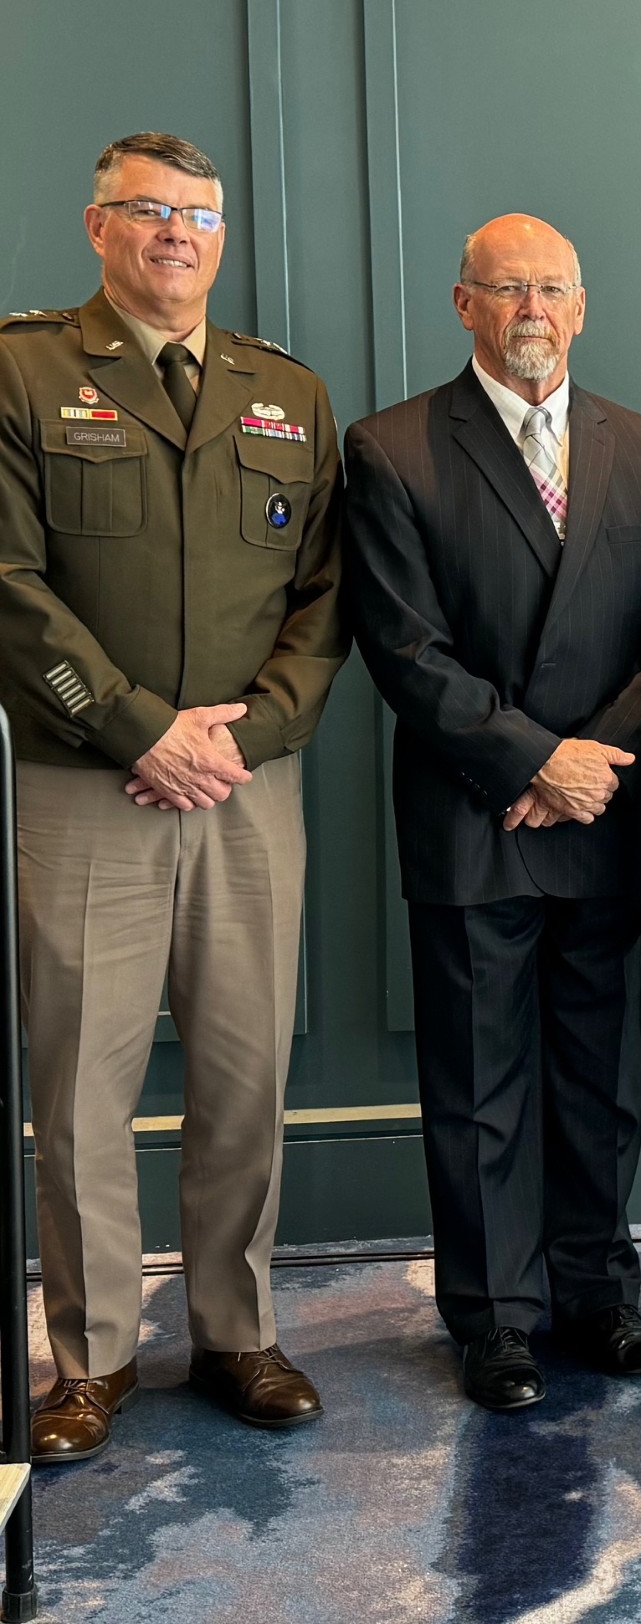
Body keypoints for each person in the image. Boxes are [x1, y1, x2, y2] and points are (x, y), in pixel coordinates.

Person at [0, 132, 347, 1460]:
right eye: (146, 212)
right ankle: (90, 1356)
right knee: (82, 1081)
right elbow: (9, 585)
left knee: (245, 1070)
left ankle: (237, 1330)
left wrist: (247, 735)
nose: (175, 235)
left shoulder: (285, 394)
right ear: (97, 226)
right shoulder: (26, 369)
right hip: (87, 783)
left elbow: (324, 601)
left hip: (248, 789)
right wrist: (143, 730)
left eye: (196, 215)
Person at [342, 214, 641, 1411]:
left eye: (553, 288)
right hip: (475, 817)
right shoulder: (392, 448)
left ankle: (598, 1295)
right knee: (481, 1084)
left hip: (602, 813)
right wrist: (531, 761)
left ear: (584, 304)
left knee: (602, 1082)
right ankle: (496, 1318)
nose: (533, 311)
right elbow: (405, 646)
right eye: (509, 291)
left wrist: (590, 764)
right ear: (463, 306)